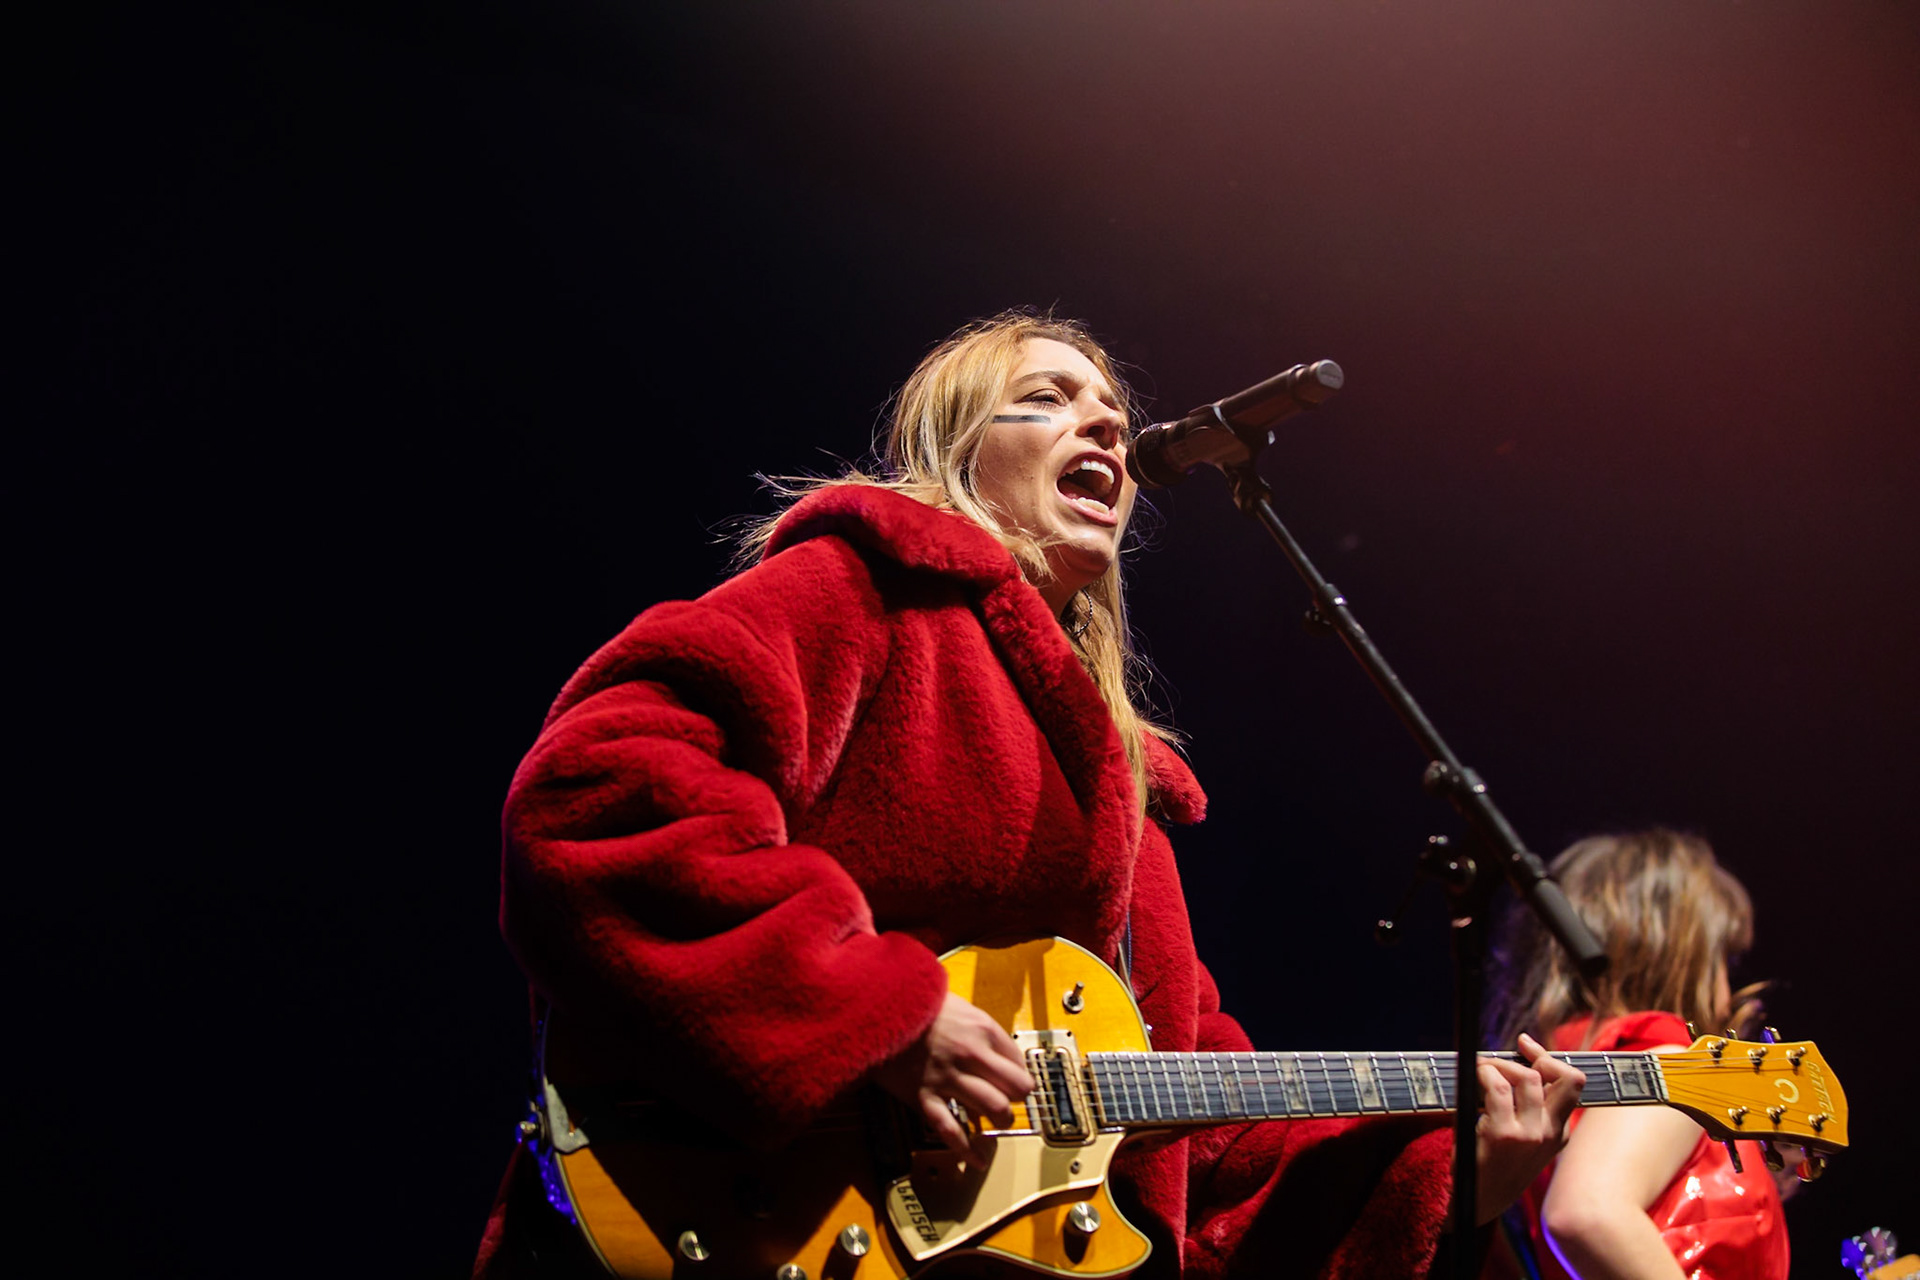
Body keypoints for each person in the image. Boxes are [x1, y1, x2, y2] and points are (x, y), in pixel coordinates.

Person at [474, 310, 1584, 1277]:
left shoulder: (1127, 798)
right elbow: (604, 792)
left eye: (1111, 407)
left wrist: (1453, 1170)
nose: (1104, 424)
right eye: (1046, 399)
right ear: (959, 455)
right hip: (738, 1213)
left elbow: (1203, 1143)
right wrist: (870, 1012)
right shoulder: (860, 592)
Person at [1484, 830, 1788, 1280]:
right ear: (1685, 957)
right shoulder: (1666, 1056)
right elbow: (1586, 1212)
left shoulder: (1552, 1074)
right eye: (1724, 960)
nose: (1729, 988)